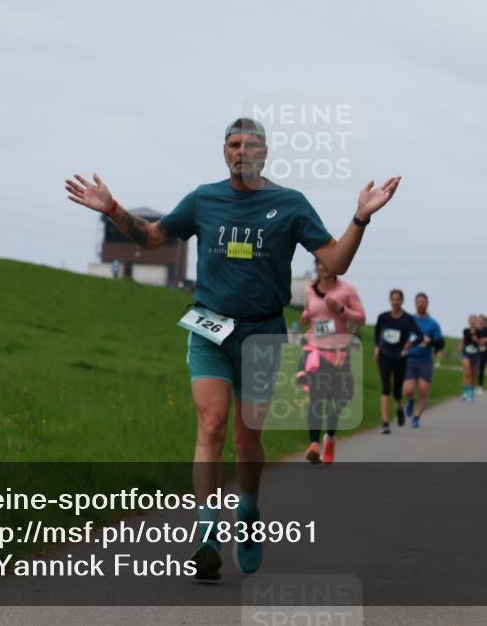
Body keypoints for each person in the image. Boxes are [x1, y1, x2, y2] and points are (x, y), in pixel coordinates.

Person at [64, 117, 400, 580]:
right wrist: (112, 209)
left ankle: (248, 511)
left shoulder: (290, 204)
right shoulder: (204, 199)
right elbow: (152, 238)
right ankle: (206, 533)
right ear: (224, 152)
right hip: (210, 328)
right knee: (211, 424)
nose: (242, 152)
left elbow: (335, 260)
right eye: (234, 144)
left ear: (266, 152)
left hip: (262, 335)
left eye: (251, 145)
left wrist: (360, 217)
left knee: (247, 440)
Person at [299, 258, 366, 464]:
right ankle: (313, 444)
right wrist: (305, 316)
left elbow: (361, 318)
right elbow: (308, 312)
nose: (325, 267)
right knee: (317, 399)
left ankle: (329, 438)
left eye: (329, 264)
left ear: (335, 268)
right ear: (316, 266)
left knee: (336, 401)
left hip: (339, 354)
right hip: (316, 352)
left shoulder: (347, 290)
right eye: (321, 263)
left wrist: (341, 310)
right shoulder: (309, 290)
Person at [374, 289, 427, 434]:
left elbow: (420, 336)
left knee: (397, 391)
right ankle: (385, 423)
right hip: (385, 356)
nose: (395, 302)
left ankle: (399, 406)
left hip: (400, 357)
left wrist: (410, 344)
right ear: (390, 300)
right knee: (386, 387)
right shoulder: (383, 317)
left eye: (398, 299)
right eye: (393, 299)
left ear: (402, 301)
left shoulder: (407, 319)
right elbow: (377, 332)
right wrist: (377, 347)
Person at [403, 292, 444, 427]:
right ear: (415, 304)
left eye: (423, 302)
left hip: (425, 360)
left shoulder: (433, 324)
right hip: (410, 359)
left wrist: (430, 341)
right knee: (408, 390)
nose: (421, 304)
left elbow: (440, 343)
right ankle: (410, 401)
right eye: (419, 302)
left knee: (424, 390)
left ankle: (416, 417)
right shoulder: (409, 320)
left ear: (427, 304)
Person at [460, 315, 482, 402]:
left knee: (474, 374)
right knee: (467, 373)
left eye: (474, 320)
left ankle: (472, 390)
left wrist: (477, 340)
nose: (472, 322)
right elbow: (464, 341)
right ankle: (465, 392)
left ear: (476, 321)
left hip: (475, 354)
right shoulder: (465, 331)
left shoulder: (479, 332)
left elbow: (481, 342)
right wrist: (459, 348)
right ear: (468, 321)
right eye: (471, 320)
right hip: (466, 353)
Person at [475, 315, 487, 395]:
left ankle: (480, 387)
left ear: (484, 321)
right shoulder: (474, 330)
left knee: (481, 370)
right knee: (474, 369)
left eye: (482, 320)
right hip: (474, 351)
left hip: (483, 352)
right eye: (479, 320)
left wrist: (485, 339)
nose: (480, 322)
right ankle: (473, 386)